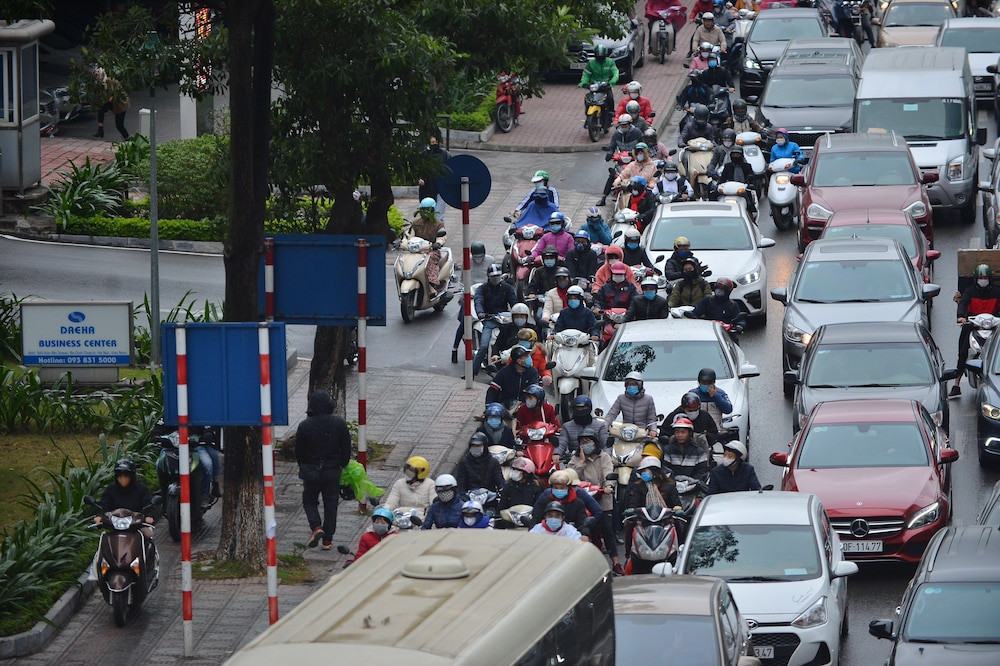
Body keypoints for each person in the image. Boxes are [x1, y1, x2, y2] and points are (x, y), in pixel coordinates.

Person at [295, 389, 352, 549]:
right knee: (331, 504)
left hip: (311, 470)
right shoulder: (339, 423)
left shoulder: (304, 426)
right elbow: (346, 447)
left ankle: (316, 527)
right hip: (332, 470)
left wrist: (304, 466)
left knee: (309, 501)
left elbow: (299, 451)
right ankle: (328, 540)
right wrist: (343, 464)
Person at [569, 428, 622, 573]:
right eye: (582, 442)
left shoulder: (604, 456)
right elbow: (571, 475)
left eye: (589, 442)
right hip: (583, 499)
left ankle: (616, 563)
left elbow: (608, 472)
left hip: (603, 497)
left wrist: (608, 486)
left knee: (607, 531)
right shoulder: (575, 459)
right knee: (582, 532)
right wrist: (581, 461)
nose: (586, 445)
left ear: (595, 443)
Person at [951, 264, 1000, 397]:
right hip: (972, 326)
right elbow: (963, 304)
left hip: (994, 327)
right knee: (962, 352)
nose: (983, 280)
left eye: (985, 277)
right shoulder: (969, 291)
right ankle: (956, 384)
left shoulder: (997, 292)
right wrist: (961, 316)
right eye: (981, 277)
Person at [452, 241, 495, 364]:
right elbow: (462, 280)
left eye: (480, 256)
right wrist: (463, 293)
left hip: (485, 295)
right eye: (476, 256)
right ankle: (454, 348)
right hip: (469, 295)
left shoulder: (490, 261)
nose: (478, 259)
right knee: (464, 322)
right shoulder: (467, 261)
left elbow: (494, 277)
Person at [473, 263, 517, 378]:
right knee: (483, 346)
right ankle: (472, 373)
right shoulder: (482, 289)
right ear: (488, 276)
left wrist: (518, 310)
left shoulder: (507, 288)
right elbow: (478, 301)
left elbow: (514, 302)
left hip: (505, 320)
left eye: (498, 276)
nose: (496, 279)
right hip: (489, 320)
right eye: (493, 277)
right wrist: (481, 313)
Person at [598, 115, 645, 207]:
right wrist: (610, 153)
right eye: (622, 125)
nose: (623, 127)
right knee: (612, 176)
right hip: (621, 161)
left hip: (634, 161)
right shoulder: (616, 134)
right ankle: (603, 197)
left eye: (625, 125)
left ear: (630, 124)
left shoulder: (637, 133)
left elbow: (642, 145)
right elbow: (612, 146)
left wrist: (637, 153)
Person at [532, 470, 602, 528]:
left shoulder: (578, 501)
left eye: (562, 488)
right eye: (556, 487)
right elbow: (536, 515)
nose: (559, 490)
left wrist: (585, 529)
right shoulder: (545, 499)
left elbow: (595, 512)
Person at [578, 44, 620, 131]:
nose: (600, 58)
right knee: (588, 100)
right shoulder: (591, 64)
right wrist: (583, 83)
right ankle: (588, 117)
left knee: (610, 98)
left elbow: (615, 73)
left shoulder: (610, 62)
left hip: (606, 86)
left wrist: (612, 82)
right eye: (598, 56)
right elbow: (586, 74)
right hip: (594, 86)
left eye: (602, 56)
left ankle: (610, 115)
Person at [407, 198, 446, 291]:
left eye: (428, 209)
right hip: (415, 250)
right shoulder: (415, 223)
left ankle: (432, 282)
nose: (426, 212)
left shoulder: (438, 224)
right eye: (423, 209)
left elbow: (442, 237)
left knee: (431, 258)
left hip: (431, 250)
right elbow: (408, 236)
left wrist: (438, 243)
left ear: (433, 210)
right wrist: (403, 243)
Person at [604, 371, 659, 436]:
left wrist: (653, 430)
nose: (631, 387)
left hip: (642, 433)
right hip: (625, 432)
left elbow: (651, 418)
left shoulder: (648, 399)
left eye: (634, 385)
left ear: (639, 385)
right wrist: (605, 426)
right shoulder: (621, 398)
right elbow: (612, 414)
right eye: (629, 385)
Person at [660, 415, 713, 479]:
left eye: (683, 432)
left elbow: (702, 471)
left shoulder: (699, 452)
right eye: (677, 432)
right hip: (672, 484)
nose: (679, 435)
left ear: (690, 433)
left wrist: (691, 481)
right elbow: (665, 468)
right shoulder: (668, 450)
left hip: (693, 485)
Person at [417, 135, 451, 221]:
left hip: (441, 189)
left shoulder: (445, 155)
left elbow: (451, 170)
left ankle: (439, 232)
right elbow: (418, 170)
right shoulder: (424, 156)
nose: (434, 144)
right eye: (432, 142)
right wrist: (419, 179)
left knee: (438, 216)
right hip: (427, 189)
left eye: (436, 142)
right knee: (427, 216)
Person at [92, 67, 130, 140]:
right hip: (112, 104)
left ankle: (127, 138)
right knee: (101, 111)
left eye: (98, 75)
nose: (97, 77)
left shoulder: (112, 82)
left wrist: (111, 96)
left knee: (119, 125)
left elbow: (117, 92)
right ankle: (100, 129)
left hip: (120, 105)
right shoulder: (100, 85)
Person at [718, 146, 757, 214]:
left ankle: (751, 216)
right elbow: (722, 179)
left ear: (742, 155)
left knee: (749, 202)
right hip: (729, 190)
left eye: (738, 155)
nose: (735, 156)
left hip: (742, 190)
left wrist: (751, 184)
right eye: (734, 155)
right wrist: (718, 184)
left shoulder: (747, 166)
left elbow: (752, 178)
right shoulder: (727, 166)